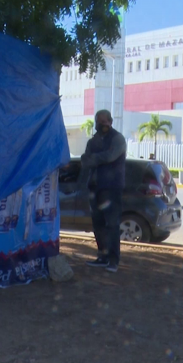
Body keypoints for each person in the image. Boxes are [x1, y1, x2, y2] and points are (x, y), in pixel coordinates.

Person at [79, 110, 126, 273]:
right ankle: (102, 257)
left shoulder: (118, 139)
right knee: (98, 225)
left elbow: (110, 157)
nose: (102, 124)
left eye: (104, 121)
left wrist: (94, 159)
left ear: (111, 121)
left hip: (111, 188)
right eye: (99, 121)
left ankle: (113, 260)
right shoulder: (92, 142)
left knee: (112, 225)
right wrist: (93, 159)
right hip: (95, 188)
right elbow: (84, 160)